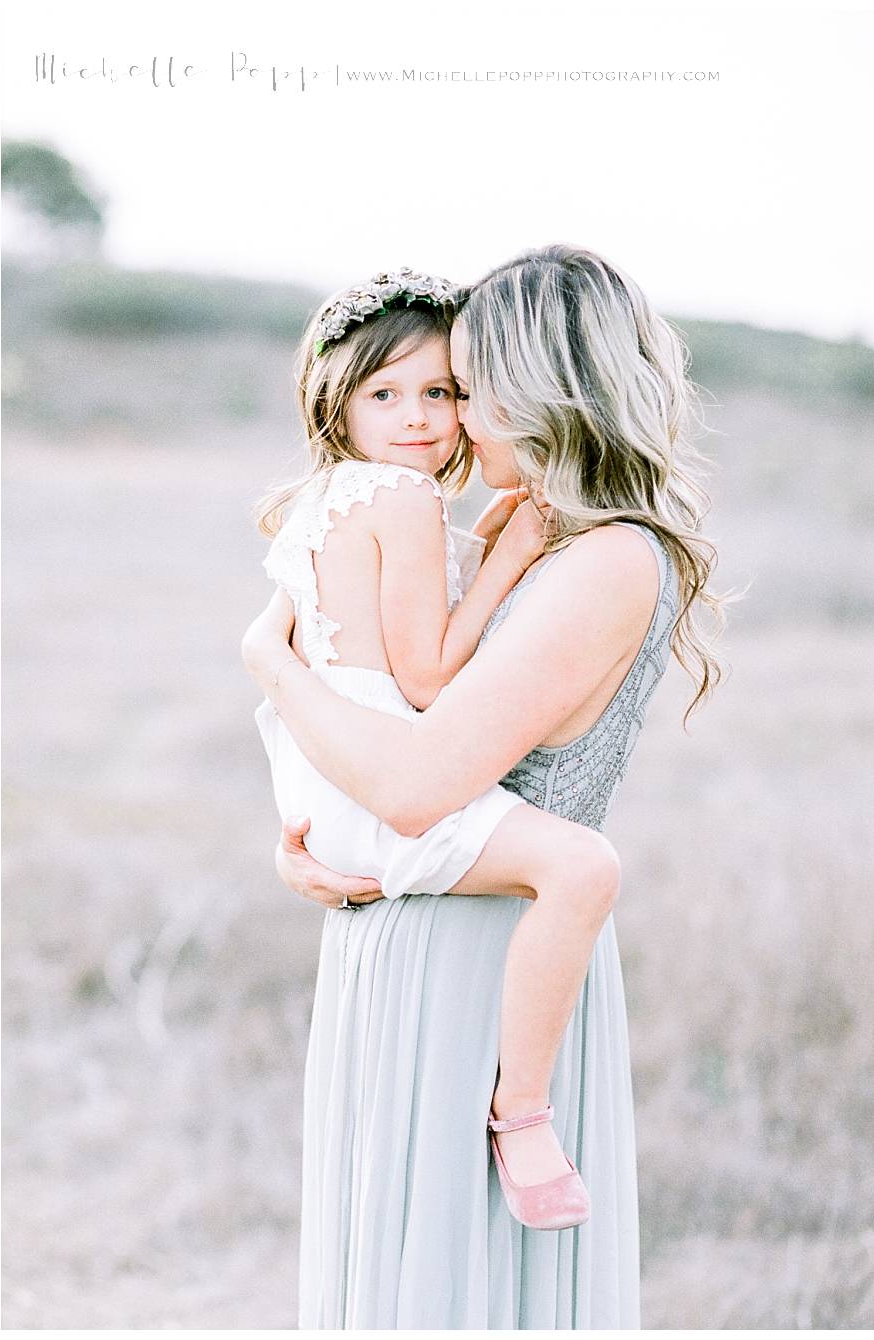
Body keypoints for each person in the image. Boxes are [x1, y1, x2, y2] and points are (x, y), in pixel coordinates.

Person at [242, 244, 723, 1328]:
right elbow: (403, 735)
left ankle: (523, 1111)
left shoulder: (604, 557)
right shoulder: (521, 535)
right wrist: (310, 836)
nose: (451, 420)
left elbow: (417, 782)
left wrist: (269, 666)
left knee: (457, 1289)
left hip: (487, 954)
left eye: (466, 387)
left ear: (538, 387)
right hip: (428, 921)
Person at [251, 266, 622, 1232]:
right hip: (381, 774)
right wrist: (511, 552)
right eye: (387, 394)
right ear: (340, 403)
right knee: (580, 867)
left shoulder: (335, 496)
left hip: (334, 775)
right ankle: (523, 1111)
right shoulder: (403, 500)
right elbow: (425, 680)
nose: (418, 418)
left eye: (442, 392)